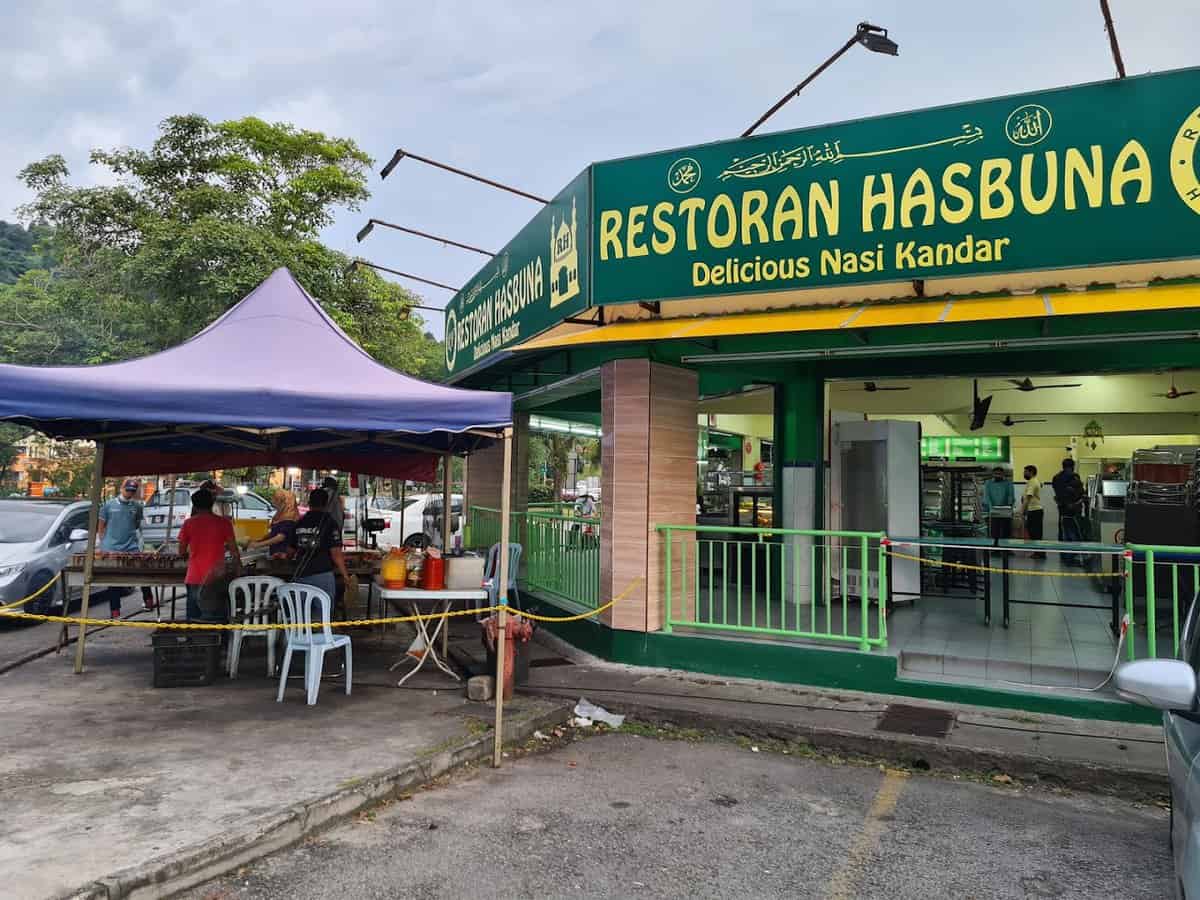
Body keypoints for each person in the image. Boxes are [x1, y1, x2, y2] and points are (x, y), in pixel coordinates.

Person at [177, 488, 241, 621]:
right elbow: (234, 552)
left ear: (194, 505)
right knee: (217, 618)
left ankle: (193, 640)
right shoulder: (224, 523)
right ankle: (218, 640)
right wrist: (237, 568)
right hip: (218, 577)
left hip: (195, 576)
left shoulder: (188, 524)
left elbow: (181, 551)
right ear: (212, 503)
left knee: (194, 618)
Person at [96, 478, 157, 618]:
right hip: (111, 547)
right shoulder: (108, 506)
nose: (129, 493)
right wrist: (103, 545)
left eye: (132, 491)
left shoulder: (137, 507)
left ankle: (148, 601)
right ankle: (115, 611)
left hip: (131, 546)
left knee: (141, 573)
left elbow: (136, 525)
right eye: (128, 489)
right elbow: (101, 527)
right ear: (122, 488)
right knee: (114, 579)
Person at [289, 488, 350, 622]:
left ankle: (302, 639)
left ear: (309, 503)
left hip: (301, 575)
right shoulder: (330, 523)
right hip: (322, 575)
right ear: (326, 503)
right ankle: (322, 640)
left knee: (302, 615)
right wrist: (345, 576)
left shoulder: (300, 522)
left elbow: (290, 550)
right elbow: (336, 554)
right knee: (324, 614)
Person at [1052, 457, 1086, 563]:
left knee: (1063, 532)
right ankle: (1072, 557)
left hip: (1062, 509)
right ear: (1072, 466)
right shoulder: (1074, 477)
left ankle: (1064, 556)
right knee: (1074, 533)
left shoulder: (1056, 477)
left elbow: (1057, 493)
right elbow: (1080, 492)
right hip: (1073, 509)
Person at [247, 489, 299, 558]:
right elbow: (274, 533)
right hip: (275, 554)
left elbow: (280, 537)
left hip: (284, 555)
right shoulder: (279, 516)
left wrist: (258, 545)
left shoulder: (290, 519)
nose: (275, 504)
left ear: (285, 503)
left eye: (278, 502)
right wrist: (258, 540)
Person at [981, 466, 1015, 540]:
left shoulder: (1008, 483)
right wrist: (991, 508)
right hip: (992, 512)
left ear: (1003, 474)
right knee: (994, 532)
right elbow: (987, 496)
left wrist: (1009, 507)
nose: (997, 475)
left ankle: (1006, 549)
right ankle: (995, 549)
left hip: (1005, 511)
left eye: (999, 474)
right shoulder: (988, 483)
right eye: (996, 474)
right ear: (993, 474)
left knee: (1006, 532)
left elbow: (1010, 495)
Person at [1021, 464, 1045, 560]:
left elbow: (1028, 498)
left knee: (1035, 533)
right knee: (1034, 532)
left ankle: (1039, 553)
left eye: (1025, 472)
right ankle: (1038, 552)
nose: (1024, 473)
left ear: (1031, 472)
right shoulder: (1034, 481)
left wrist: (1022, 511)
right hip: (1033, 510)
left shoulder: (1032, 482)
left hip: (1035, 511)